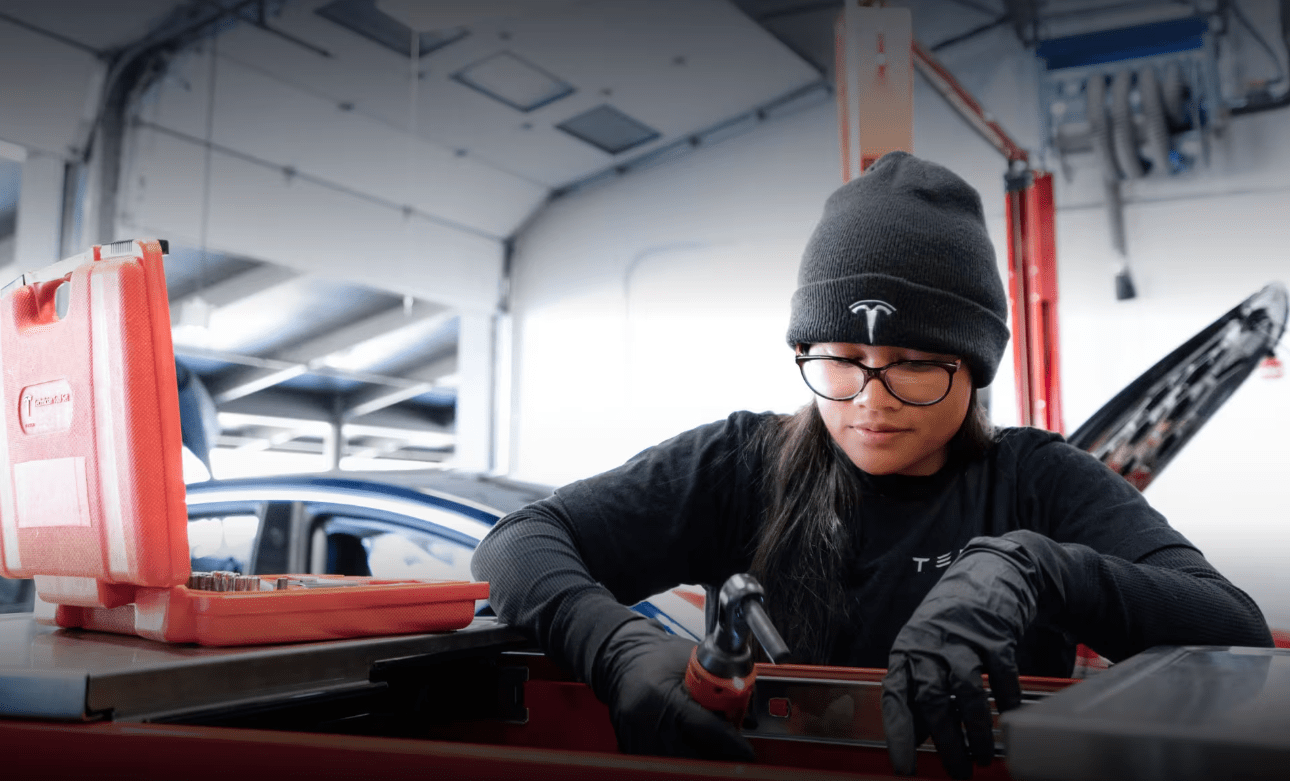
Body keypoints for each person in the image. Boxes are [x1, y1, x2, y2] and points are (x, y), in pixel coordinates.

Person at [471, 151, 1273, 778]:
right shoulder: (740, 464)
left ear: (974, 367)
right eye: (843, 358)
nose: (870, 398)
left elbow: (1233, 633)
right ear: (804, 350)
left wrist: (1039, 569)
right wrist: (611, 646)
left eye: (915, 362)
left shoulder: (1037, 480)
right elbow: (519, 539)